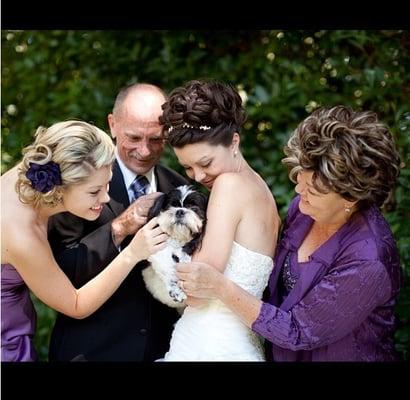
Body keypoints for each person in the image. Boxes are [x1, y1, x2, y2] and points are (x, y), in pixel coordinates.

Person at [176, 105, 403, 361]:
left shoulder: (368, 259)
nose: (298, 192)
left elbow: (298, 331)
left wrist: (222, 288)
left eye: (313, 190)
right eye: (299, 178)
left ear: (351, 196)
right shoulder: (304, 210)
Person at [1, 120, 167, 362]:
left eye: (107, 183)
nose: (106, 196)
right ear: (60, 186)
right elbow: (76, 305)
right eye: (94, 191)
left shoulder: (33, 172)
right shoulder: (21, 234)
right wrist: (133, 252)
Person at [48, 84, 188, 361]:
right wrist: (121, 226)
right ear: (113, 125)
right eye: (133, 137)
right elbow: (63, 271)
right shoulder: (75, 179)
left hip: (162, 350)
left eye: (156, 139)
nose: (145, 150)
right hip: (90, 350)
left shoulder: (179, 186)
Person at [157, 79, 281, 361]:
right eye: (187, 167)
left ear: (234, 141)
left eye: (206, 163)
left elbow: (198, 292)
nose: (198, 176)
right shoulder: (260, 188)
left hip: (208, 345)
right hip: (239, 341)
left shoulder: (229, 186)